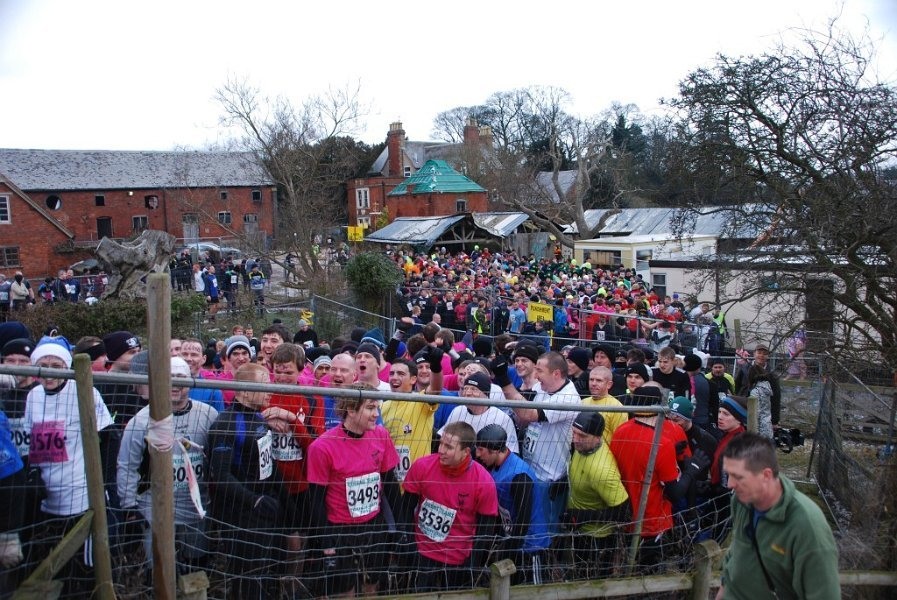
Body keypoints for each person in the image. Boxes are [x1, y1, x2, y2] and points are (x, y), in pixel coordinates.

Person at [24, 337, 116, 597]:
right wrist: (33, 474)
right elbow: (31, 441)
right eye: (43, 366)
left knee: (83, 573)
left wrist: (104, 483)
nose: (49, 372)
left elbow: (108, 437)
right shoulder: (33, 396)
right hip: (47, 498)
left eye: (56, 365)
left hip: (80, 497)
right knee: (51, 570)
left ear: (66, 366)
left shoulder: (83, 390)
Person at [117, 357, 218, 573]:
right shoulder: (141, 421)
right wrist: (129, 507)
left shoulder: (208, 414)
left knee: (196, 567)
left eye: (181, 378)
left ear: (190, 381)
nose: (175, 384)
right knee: (160, 570)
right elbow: (127, 465)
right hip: (155, 508)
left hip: (196, 507)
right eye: (169, 378)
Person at [716, 433, 840, 600]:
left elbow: (824, 594)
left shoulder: (806, 526)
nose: (730, 484)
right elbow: (736, 551)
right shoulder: (741, 501)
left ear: (766, 475)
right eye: (728, 474)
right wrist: (722, 589)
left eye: (738, 476)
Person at [207, 363, 292, 600]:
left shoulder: (258, 417)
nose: (270, 390)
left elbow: (267, 462)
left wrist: (284, 499)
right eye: (264, 385)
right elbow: (221, 475)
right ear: (244, 391)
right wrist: (254, 501)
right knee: (247, 577)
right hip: (241, 514)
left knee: (266, 572)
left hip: (266, 508)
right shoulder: (226, 423)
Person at [305, 390, 401, 597]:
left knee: (372, 584)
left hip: (373, 524)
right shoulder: (321, 447)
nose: (376, 414)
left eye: (377, 407)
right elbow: (315, 499)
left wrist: (400, 526)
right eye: (370, 408)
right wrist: (325, 541)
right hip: (340, 528)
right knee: (344, 590)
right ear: (350, 409)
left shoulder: (381, 435)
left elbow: (390, 483)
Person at [609, 386, 708, 571]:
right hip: (653, 520)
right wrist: (691, 470)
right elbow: (675, 493)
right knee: (649, 574)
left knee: (627, 568)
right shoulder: (661, 443)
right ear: (660, 407)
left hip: (625, 513)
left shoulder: (620, 431)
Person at [401, 421, 500, 592]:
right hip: (422, 554)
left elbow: (486, 530)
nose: (441, 450)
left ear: (466, 452)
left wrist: (472, 564)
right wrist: (409, 546)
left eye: (448, 447)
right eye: (441, 443)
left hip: (458, 560)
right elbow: (405, 509)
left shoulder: (483, 482)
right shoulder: (422, 466)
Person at [495, 351, 581, 534]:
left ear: (556, 373)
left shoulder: (568, 398)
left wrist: (504, 380)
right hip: (531, 467)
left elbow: (528, 414)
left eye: (540, 371)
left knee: (542, 530)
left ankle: (546, 551)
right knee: (525, 524)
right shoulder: (542, 388)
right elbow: (523, 418)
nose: (536, 375)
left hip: (548, 477)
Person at [475, 424, 550, 585]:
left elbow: (523, 521)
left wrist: (510, 552)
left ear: (495, 450)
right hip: (512, 542)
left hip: (531, 547)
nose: (477, 454)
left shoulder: (518, 475)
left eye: (481, 449)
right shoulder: (494, 466)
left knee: (535, 592)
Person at [565, 411, 630, 579]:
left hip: (597, 539)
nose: (575, 439)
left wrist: (583, 516)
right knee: (579, 576)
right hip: (580, 530)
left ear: (597, 437)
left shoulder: (602, 471)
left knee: (594, 581)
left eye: (582, 436)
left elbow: (624, 512)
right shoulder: (583, 447)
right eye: (574, 432)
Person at [581, 366, 627, 446]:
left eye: (599, 380)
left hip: (606, 453)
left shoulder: (617, 408)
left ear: (609, 384)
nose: (593, 383)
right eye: (591, 379)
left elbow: (621, 441)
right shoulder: (582, 403)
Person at [179, 338, 225, 412]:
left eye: (194, 355)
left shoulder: (213, 392)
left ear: (203, 359)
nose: (188, 359)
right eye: (184, 354)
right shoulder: (168, 388)